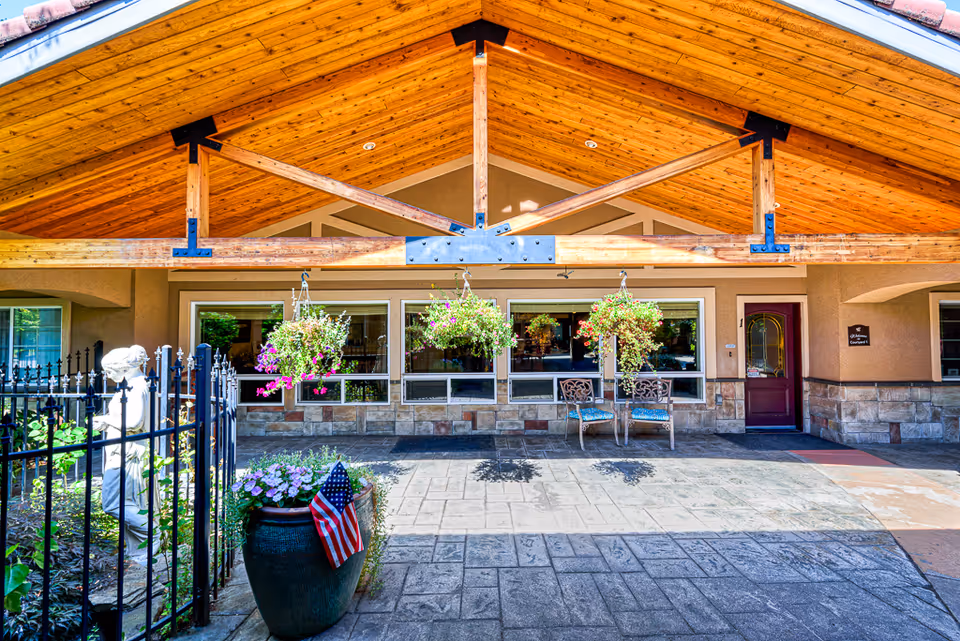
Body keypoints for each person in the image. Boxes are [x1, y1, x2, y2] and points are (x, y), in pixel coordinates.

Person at [96, 345, 157, 561]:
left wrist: (105, 420)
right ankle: (140, 549)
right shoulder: (132, 384)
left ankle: (154, 534)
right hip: (122, 449)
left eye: (109, 370)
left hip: (128, 452)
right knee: (128, 501)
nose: (107, 375)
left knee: (112, 503)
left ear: (122, 368)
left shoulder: (137, 386)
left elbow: (134, 421)